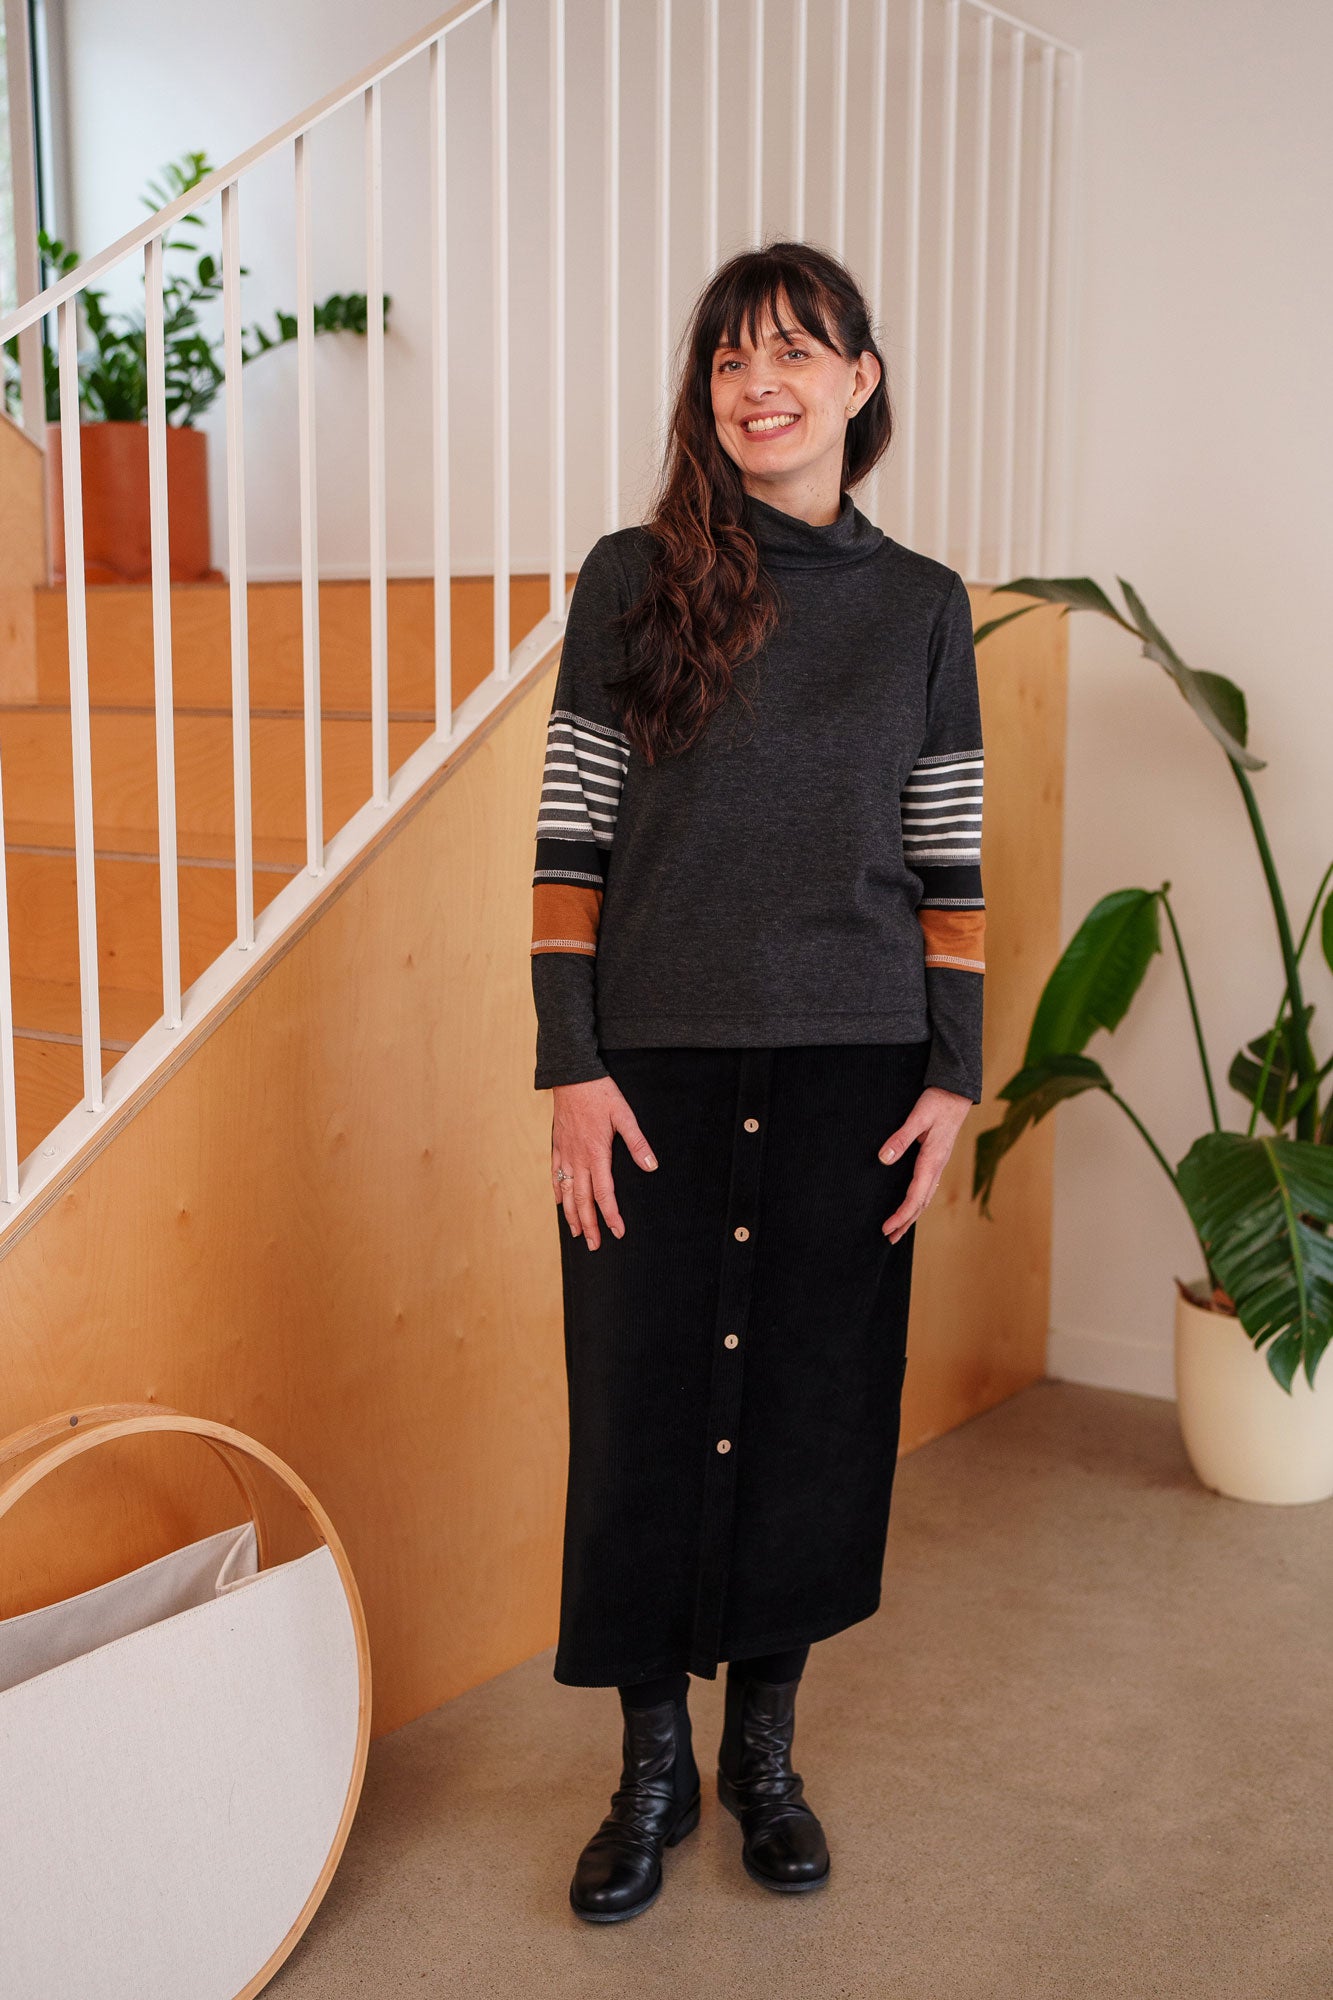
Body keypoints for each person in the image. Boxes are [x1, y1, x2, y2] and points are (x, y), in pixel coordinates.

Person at [530, 240, 985, 1923]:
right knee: (638, 1403)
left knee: (808, 1409)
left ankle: (762, 1755)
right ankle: (649, 1763)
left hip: (854, 1062)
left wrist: (953, 1075)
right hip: (645, 1065)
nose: (756, 383)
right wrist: (568, 1062)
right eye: (729, 357)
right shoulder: (628, 579)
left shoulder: (920, 603)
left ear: (860, 383)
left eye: (793, 351)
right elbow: (571, 835)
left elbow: (947, 855)